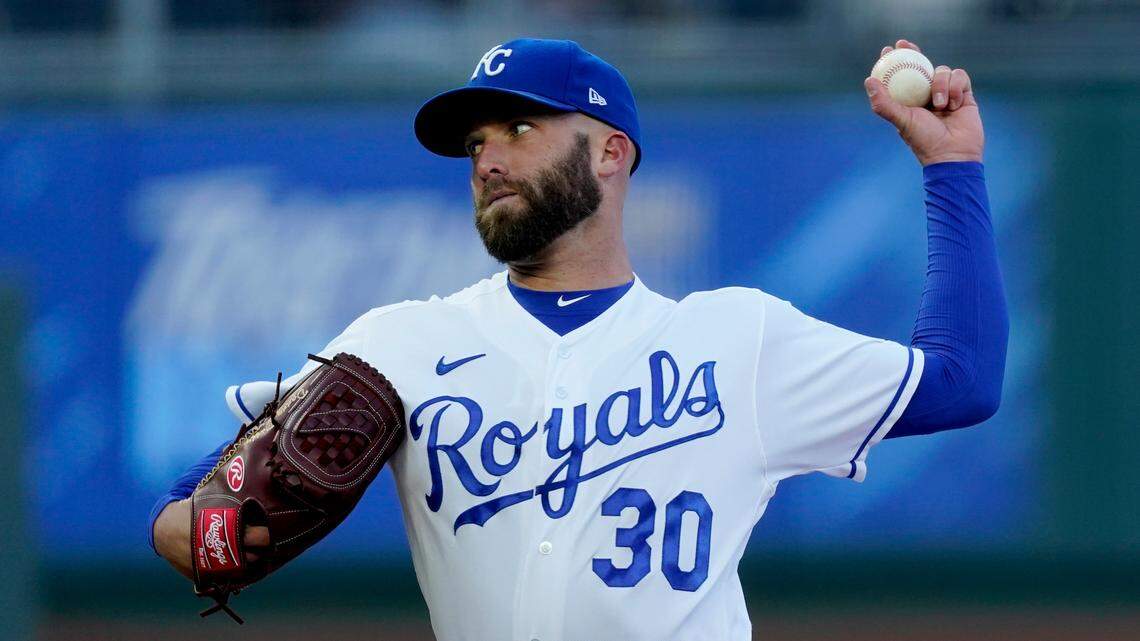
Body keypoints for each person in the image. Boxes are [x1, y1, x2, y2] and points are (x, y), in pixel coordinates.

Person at [150, 38, 1007, 640]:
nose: (488, 159)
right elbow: (193, 504)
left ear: (610, 153)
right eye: (478, 143)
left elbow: (963, 378)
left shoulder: (735, 340)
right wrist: (203, 531)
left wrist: (951, 166)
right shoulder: (400, 344)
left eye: (521, 130)